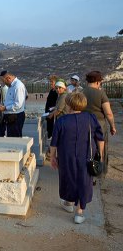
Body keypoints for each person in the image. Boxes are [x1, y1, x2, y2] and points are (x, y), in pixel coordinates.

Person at [50, 92, 104, 224]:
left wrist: (52, 156)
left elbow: (54, 141)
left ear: (68, 104)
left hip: (66, 155)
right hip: (86, 154)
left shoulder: (62, 120)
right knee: (84, 180)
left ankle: (68, 202)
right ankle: (79, 212)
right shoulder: (91, 117)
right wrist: (100, 156)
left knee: (68, 178)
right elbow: (100, 138)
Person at [82, 71, 117, 174]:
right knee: (101, 148)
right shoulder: (101, 93)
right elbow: (108, 113)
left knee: (86, 146)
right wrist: (112, 126)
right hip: (99, 123)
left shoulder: (81, 92)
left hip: (84, 122)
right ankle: (99, 171)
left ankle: (86, 170)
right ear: (97, 82)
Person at [0, 70, 27, 137]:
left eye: (3, 81)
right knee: (11, 137)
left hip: (15, 117)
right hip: (11, 117)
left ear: (8, 78)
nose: (3, 83)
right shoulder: (11, 86)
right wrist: (3, 104)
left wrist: (5, 108)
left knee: (14, 139)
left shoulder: (18, 86)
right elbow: (11, 100)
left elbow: (18, 104)